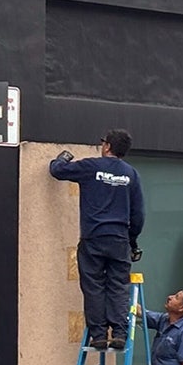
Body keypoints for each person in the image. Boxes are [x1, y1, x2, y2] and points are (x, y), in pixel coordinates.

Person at [49, 129, 145, 351]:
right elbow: (138, 214)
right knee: (118, 286)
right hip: (119, 239)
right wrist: (132, 240)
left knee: (93, 286)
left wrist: (61, 158)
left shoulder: (92, 167)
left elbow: (58, 171)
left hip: (93, 238)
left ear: (108, 146)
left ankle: (99, 336)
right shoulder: (131, 174)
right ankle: (120, 333)